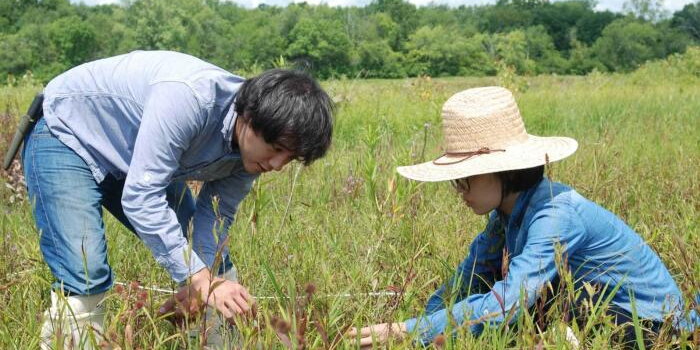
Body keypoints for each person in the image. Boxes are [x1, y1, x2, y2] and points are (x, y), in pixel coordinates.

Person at [21, 50, 333, 349]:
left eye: (290, 158)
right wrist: (197, 278)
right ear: (250, 117)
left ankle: (218, 344)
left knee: (213, 263)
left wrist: (202, 282)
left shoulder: (253, 155)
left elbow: (215, 217)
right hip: (68, 133)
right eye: (276, 148)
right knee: (85, 272)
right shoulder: (190, 98)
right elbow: (142, 197)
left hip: (133, 156)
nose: (277, 165)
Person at [348, 86, 698, 347]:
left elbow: (507, 304)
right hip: (597, 321)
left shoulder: (556, 215)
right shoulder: (506, 214)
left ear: (504, 171)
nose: (459, 190)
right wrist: (420, 323)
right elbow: (468, 278)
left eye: (464, 177)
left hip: (652, 331)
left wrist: (408, 332)